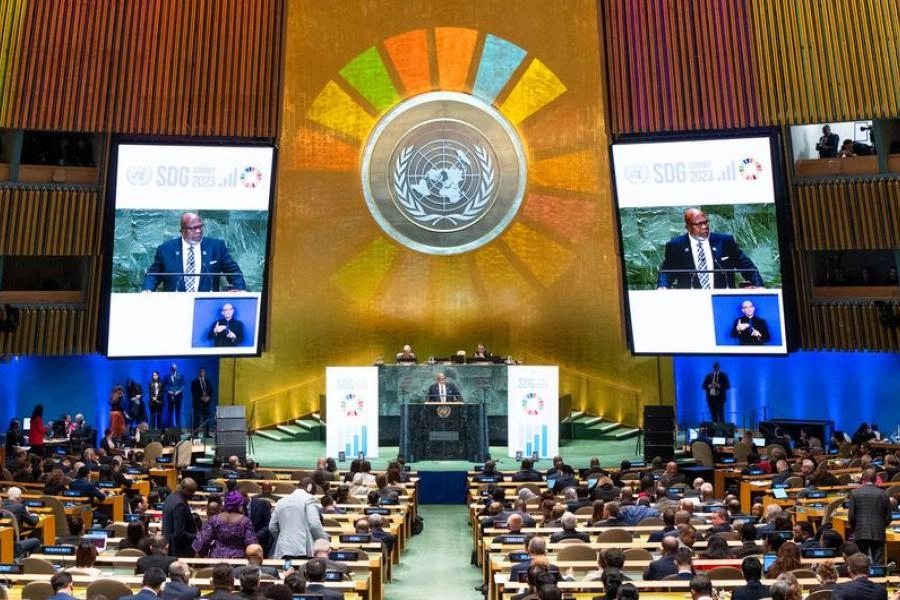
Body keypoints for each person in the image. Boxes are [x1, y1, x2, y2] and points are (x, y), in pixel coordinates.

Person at [657, 207, 763, 289]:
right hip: (691, 300)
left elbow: (747, 266)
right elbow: (666, 271)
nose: (704, 226)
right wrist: (662, 287)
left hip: (721, 299)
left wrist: (758, 285)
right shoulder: (676, 246)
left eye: (705, 222)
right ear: (688, 227)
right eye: (698, 224)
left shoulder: (724, 241)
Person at [142, 212, 245, 292]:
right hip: (175, 304)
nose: (199, 230)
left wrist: (240, 291)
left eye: (200, 226)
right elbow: (153, 275)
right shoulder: (166, 249)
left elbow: (234, 272)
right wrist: (147, 290)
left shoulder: (216, 247)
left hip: (206, 306)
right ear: (182, 230)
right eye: (193, 228)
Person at [269, 478, 327, 558]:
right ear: (309, 488)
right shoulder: (309, 499)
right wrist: (324, 541)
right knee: (303, 570)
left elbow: (272, 527)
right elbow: (314, 524)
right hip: (303, 549)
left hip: (284, 550)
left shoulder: (281, 502)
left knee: (288, 570)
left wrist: (283, 538)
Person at [192, 490, 258, 558]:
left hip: (216, 559)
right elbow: (251, 543)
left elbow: (203, 541)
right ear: (240, 505)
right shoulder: (245, 521)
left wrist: (202, 555)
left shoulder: (215, 519)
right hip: (238, 561)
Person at [847, 467, 891, 564]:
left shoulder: (854, 493)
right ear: (875, 479)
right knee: (878, 562)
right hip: (878, 531)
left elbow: (851, 516)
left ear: (863, 478)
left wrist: (856, 528)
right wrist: (880, 526)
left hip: (861, 531)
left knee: (861, 562)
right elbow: (888, 517)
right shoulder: (883, 494)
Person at [1, 486, 42, 557]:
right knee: (37, 541)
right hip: (14, 544)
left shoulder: (2, 505)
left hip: (2, 541)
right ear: (19, 498)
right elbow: (32, 522)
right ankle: (31, 564)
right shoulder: (20, 507)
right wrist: (36, 516)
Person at [162, 478, 198, 557]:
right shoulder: (179, 505)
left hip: (169, 543)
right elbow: (179, 533)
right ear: (183, 488)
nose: (193, 495)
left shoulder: (170, 498)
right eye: (191, 491)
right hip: (179, 550)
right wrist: (197, 536)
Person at [191, 368, 213, 437]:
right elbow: (194, 393)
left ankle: (206, 434)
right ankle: (195, 434)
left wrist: (208, 397)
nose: (201, 373)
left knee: (206, 419)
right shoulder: (194, 382)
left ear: (204, 373)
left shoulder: (208, 381)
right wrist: (201, 398)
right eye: (200, 372)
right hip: (198, 404)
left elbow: (211, 391)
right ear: (198, 373)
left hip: (206, 404)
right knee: (197, 419)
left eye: (203, 372)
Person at [165, 363, 185, 429]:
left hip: (178, 396)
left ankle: (178, 427)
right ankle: (169, 427)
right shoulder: (167, 376)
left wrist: (178, 391)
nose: (173, 369)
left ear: (176, 368)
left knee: (178, 412)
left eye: (174, 368)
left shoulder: (180, 375)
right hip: (170, 396)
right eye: (172, 368)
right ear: (170, 368)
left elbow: (183, 385)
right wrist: (168, 391)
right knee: (170, 412)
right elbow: (165, 385)